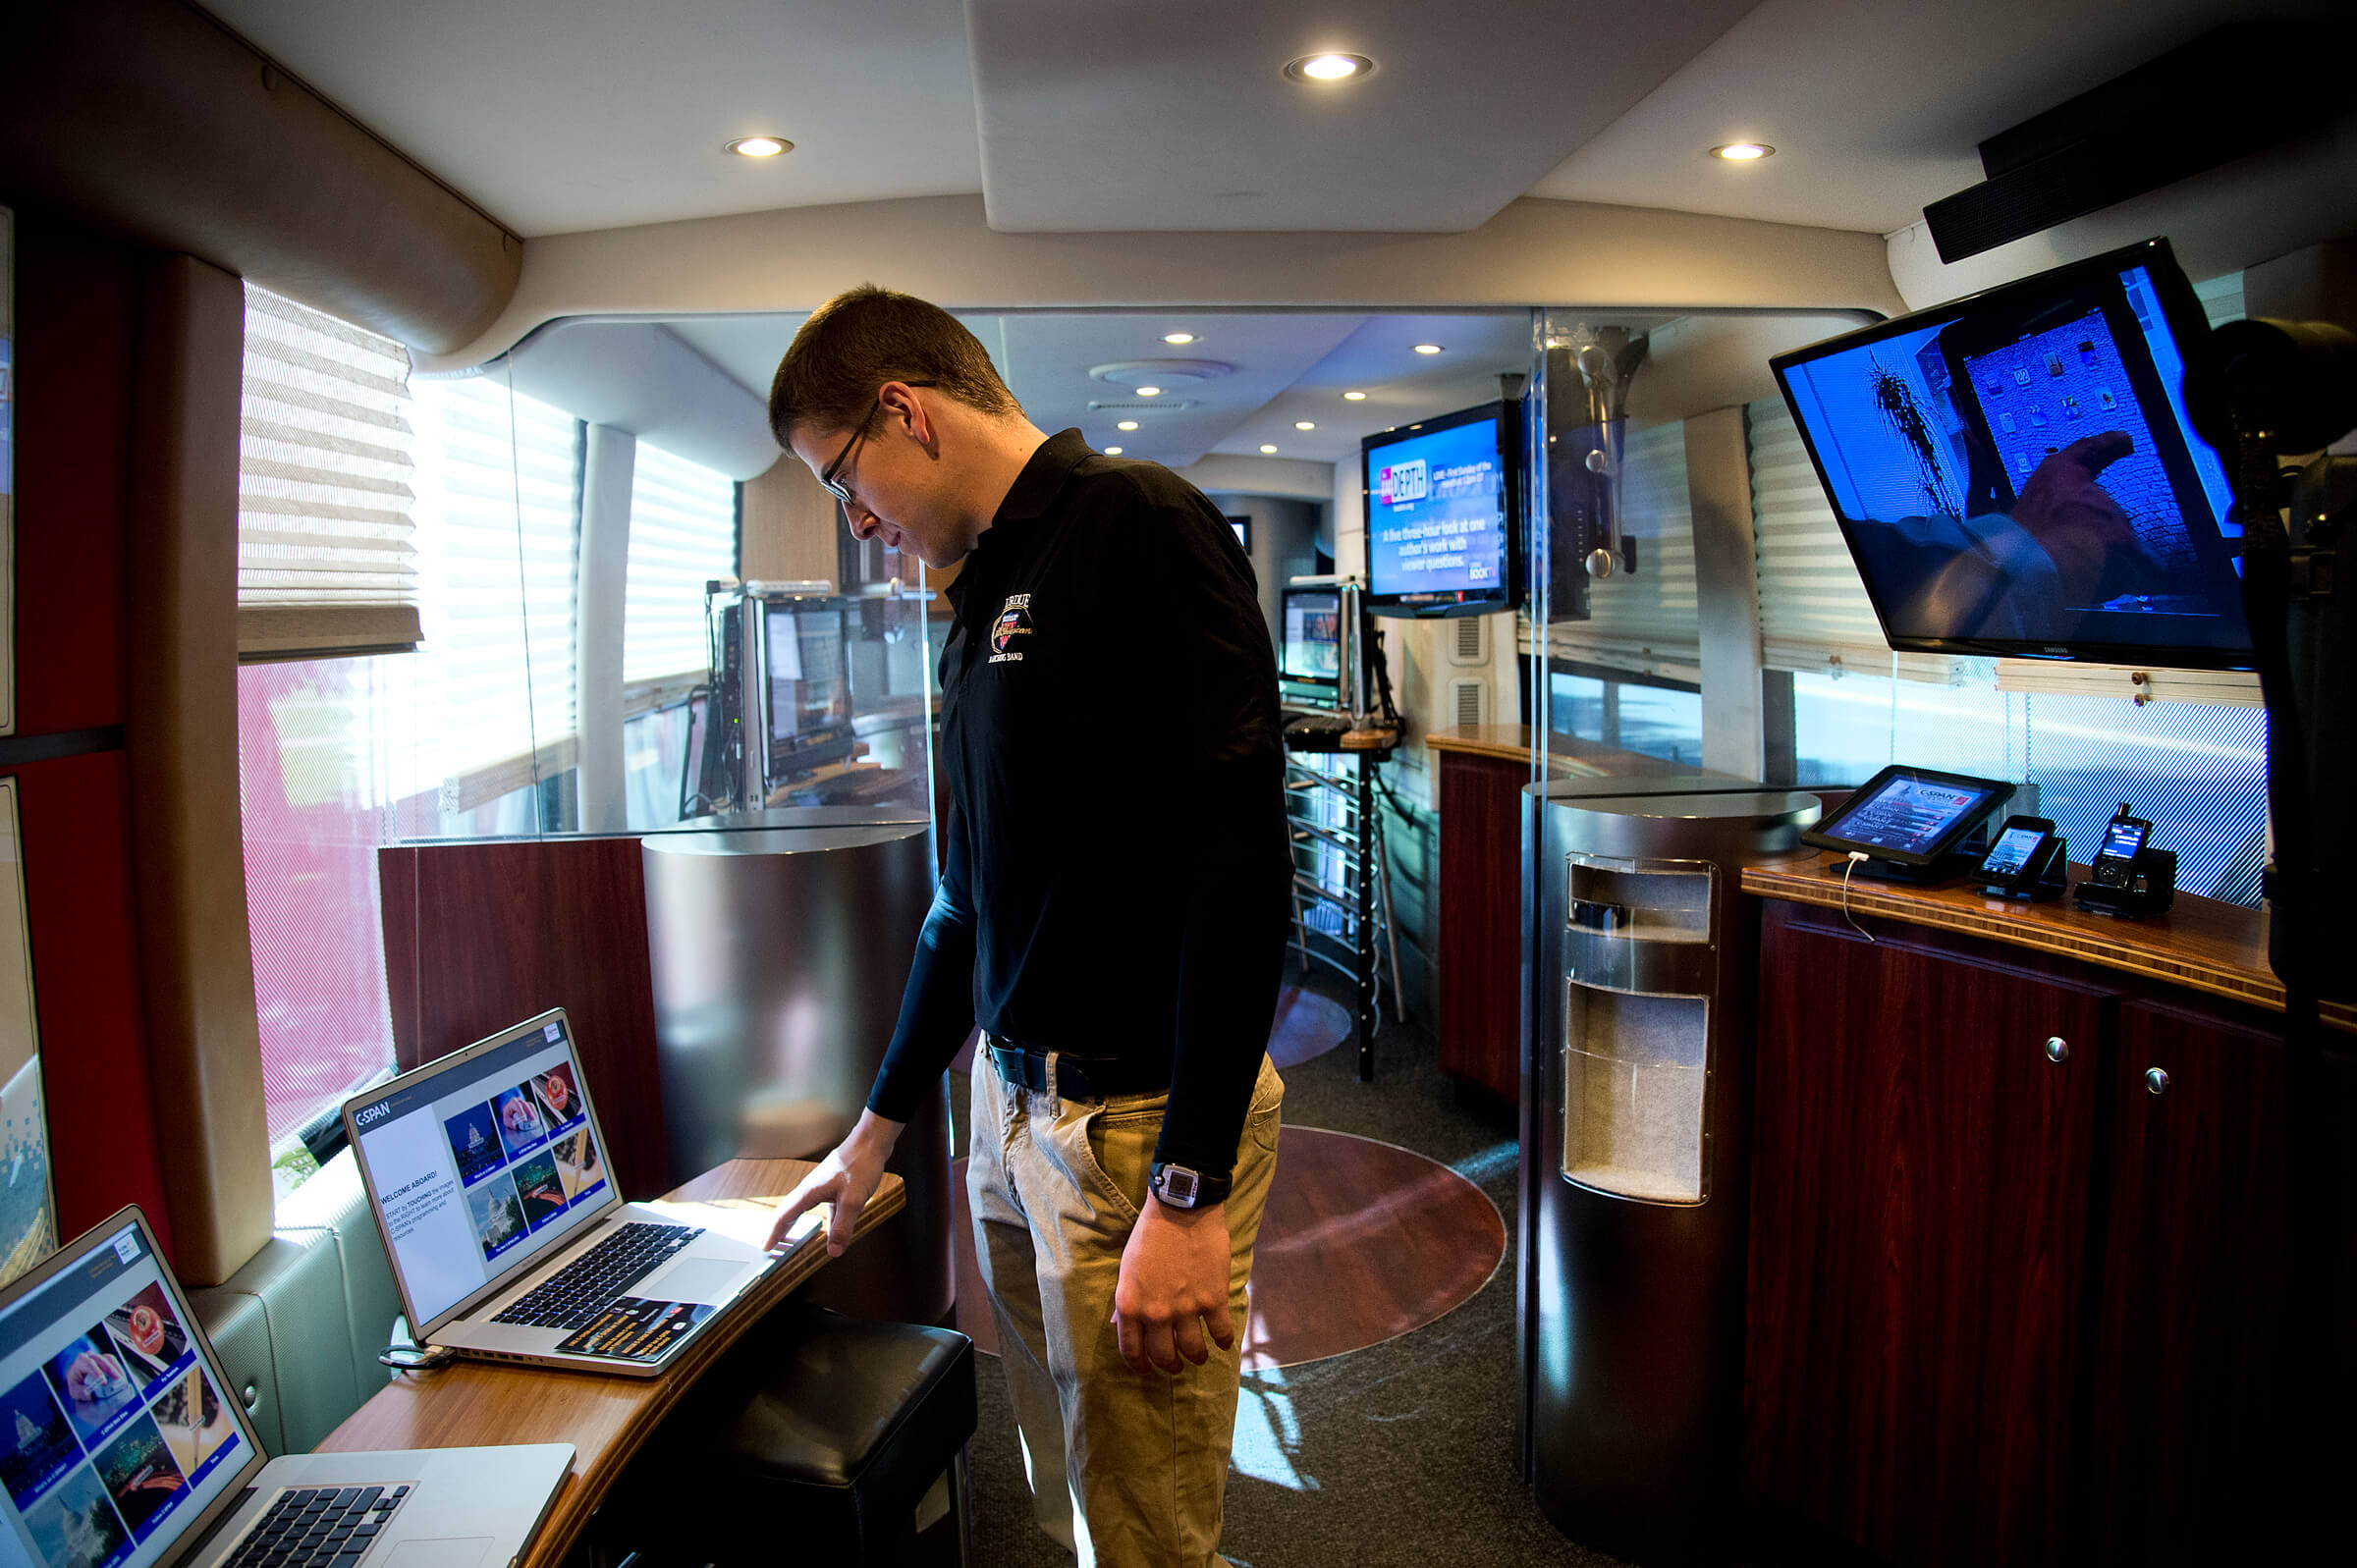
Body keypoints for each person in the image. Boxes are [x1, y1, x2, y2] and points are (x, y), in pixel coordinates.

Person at [761, 286, 1291, 1568]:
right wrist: (878, 1129)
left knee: (1150, 1537)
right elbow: (965, 898)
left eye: (845, 479)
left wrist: (1189, 1189)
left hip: (1137, 1134)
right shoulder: (977, 591)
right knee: (1075, 1509)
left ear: (907, 411)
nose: (859, 522)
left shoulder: (1138, 525)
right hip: (1007, 1119)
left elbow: (1242, 872)